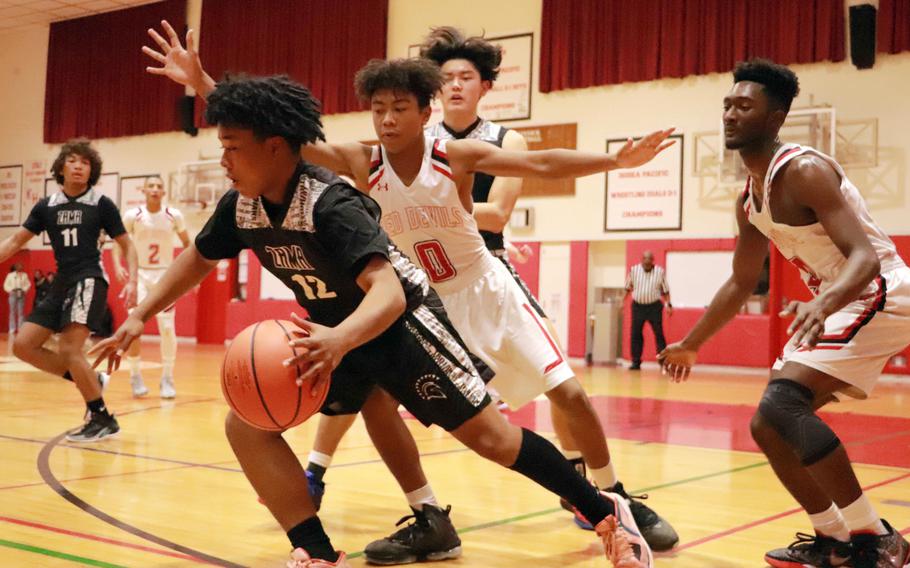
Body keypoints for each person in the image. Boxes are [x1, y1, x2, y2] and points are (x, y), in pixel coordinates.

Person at [142, 21, 672, 566]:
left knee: (527, 415)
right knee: (373, 407)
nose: (388, 119)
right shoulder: (358, 161)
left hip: (464, 289)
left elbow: (540, 163)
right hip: (389, 296)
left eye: (400, 108)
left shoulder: (454, 155)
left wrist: (613, 161)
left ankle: (611, 503)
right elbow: (276, 136)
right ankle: (388, 521)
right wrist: (203, 82)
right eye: (379, 109)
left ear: (427, 111)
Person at [659, 59, 910, 568]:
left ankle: (876, 538)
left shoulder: (805, 170)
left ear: (775, 118)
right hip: (840, 301)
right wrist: (693, 342)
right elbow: (740, 281)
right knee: (767, 426)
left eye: (744, 106)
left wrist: (822, 300)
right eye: (727, 104)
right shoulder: (749, 198)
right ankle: (834, 539)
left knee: (781, 405)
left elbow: (862, 258)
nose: (730, 114)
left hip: (881, 291)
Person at [0, 138, 137, 442]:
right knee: (23, 346)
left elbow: (128, 246)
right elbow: (13, 243)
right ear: (61, 168)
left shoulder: (101, 204)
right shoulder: (46, 206)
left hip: (89, 278)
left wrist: (134, 282)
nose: (79, 166)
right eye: (73, 160)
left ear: (92, 171)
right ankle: (90, 379)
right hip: (62, 281)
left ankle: (102, 417)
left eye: (85, 162)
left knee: (70, 349)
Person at [113, 175, 190, 398]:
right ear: (144, 190)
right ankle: (135, 375)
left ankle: (167, 377)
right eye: (151, 186)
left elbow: (188, 244)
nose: (155, 190)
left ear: (163, 192)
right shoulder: (133, 216)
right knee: (134, 329)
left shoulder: (173, 215)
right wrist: (118, 266)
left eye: (159, 186)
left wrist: (183, 273)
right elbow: (119, 244)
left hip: (165, 276)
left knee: (167, 329)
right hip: (140, 275)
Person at [625, 251, 672, 370]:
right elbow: (627, 288)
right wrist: (622, 302)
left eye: (649, 260)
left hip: (654, 307)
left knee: (659, 334)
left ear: (652, 261)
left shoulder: (659, 272)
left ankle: (663, 362)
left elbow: (665, 291)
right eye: (645, 260)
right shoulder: (634, 270)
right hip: (638, 306)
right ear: (642, 260)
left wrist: (668, 305)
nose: (647, 263)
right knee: (636, 334)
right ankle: (636, 362)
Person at [5, 263, 30, 334]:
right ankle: (12, 329)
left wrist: (24, 290)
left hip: (21, 294)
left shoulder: (25, 275)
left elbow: (28, 284)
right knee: (12, 312)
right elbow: (6, 285)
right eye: (19, 266)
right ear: (15, 267)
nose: (20, 267)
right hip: (13, 294)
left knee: (21, 312)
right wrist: (11, 290)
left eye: (21, 266)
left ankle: (20, 328)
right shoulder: (10, 275)